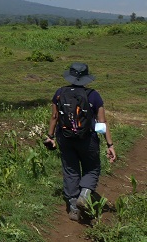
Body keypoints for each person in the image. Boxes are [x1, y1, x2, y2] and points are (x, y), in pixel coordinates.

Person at [44, 62, 116, 221]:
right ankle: (84, 194)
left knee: (70, 170)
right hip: (87, 139)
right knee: (92, 168)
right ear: (86, 78)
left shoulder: (59, 93)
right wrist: (109, 144)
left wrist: (50, 136)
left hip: (65, 138)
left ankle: (73, 208)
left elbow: (54, 117)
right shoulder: (93, 95)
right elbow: (101, 123)